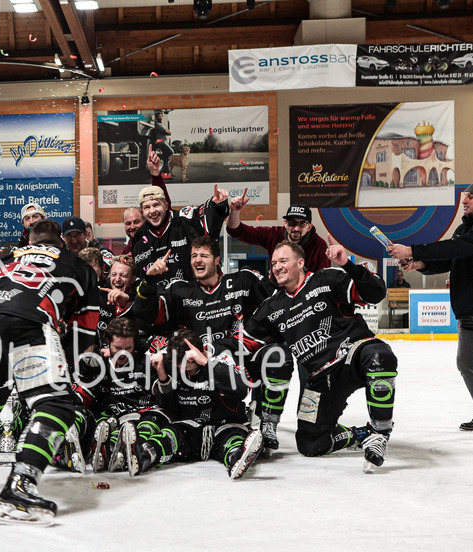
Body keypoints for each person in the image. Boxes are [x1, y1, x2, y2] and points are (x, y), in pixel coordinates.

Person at [0, 219, 99, 526]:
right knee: (56, 403)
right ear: (61, 243)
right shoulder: (76, 264)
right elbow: (87, 327)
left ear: (30, 241)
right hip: (27, 318)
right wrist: (62, 368)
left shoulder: (13, 257)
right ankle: (20, 487)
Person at [239, 241, 397, 471]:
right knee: (310, 443)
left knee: (379, 356)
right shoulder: (272, 306)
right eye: (274, 263)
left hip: (353, 355)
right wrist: (209, 354)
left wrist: (347, 265)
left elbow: (375, 293)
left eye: (283, 261)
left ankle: (381, 433)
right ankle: (362, 434)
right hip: (320, 378)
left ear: (300, 263)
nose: (277, 267)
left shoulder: (326, 279)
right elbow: (241, 343)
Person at [387, 179, 473, 438]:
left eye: (470, 196)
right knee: (465, 361)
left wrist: (413, 250)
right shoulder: (465, 229)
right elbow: (452, 257)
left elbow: (458, 247)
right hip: (470, 306)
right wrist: (421, 265)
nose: (464, 200)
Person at [133, 235, 291, 451]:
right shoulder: (180, 289)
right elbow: (145, 315)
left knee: (277, 356)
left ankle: (268, 423)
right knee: (154, 358)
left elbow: (278, 301)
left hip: (239, 359)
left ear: (217, 260)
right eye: (194, 256)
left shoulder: (242, 281)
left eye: (204, 255)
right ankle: (159, 420)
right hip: (197, 364)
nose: (198, 260)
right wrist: (149, 281)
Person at [125, 329, 264, 480]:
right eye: (178, 366)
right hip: (192, 427)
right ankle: (144, 455)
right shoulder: (173, 364)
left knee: (233, 439)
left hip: (226, 423)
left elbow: (242, 390)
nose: (182, 370)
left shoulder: (222, 357)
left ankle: (236, 457)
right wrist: (162, 375)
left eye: (185, 365)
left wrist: (206, 363)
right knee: (171, 434)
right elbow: (168, 406)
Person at [133, 147, 229, 288]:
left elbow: (207, 216)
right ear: (142, 212)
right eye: (147, 207)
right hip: (162, 303)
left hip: (196, 298)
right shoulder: (140, 238)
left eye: (156, 205)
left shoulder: (184, 220)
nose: (152, 211)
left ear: (166, 206)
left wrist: (217, 204)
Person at [74, 317, 156, 472]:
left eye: (128, 348)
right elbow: (82, 396)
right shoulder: (99, 364)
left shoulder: (146, 362)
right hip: (112, 416)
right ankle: (103, 451)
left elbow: (165, 398)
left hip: (142, 416)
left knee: (148, 424)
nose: (123, 354)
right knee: (95, 420)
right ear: (108, 342)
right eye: (118, 348)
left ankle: (123, 453)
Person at [226, 195, 331, 272]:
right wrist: (234, 211)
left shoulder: (319, 246)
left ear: (309, 227)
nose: (296, 228)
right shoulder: (274, 235)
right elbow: (237, 231)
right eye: (292, 223)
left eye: (302, 224)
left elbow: (322, 281)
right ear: (285, 223)